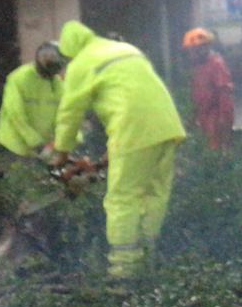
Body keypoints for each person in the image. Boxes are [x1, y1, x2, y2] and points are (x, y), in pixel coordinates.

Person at [51, 21, 186, 278]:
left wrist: (61, 155)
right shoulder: (126, 49)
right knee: (155, 193)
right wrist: (104, 160)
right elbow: (135, 97)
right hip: (167, 126)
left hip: (132, 129)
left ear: (69, 52)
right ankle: (147, 258)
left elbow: (69, 114)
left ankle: (124, 270)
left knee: (122, 199)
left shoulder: (81, 63)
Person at [0, 42, 66, 159]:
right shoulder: (19, 78)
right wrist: (36, 143)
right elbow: (16, 115)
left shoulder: (58, 83)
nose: (53, 74)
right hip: (14, 147)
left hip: (42, 148)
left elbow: (64, 115)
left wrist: (66, 140)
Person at [183, 28, 235, 151]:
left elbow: (224, 93)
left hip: (215, 117)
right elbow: (196, 94)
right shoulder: (197, 67)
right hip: (202, 117)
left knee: (215, 150)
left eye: (195, 50)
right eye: (191, 51)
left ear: (205, 48)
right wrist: (192, 117)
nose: (192, 54)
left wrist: (224, 119)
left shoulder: (216, 65)